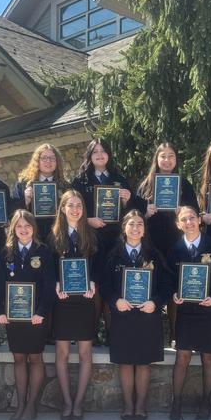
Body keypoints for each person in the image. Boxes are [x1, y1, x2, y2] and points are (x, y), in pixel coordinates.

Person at [164, 206, 211, 420]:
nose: (189, 222)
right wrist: (174, 294)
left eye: (192, 218)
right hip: (185, 312)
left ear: (199, 220)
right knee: (182, 357)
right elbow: (167, 280)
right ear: (178, 224)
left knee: (208, 358)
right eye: (184, 219)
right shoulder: (174, 250)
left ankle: (206, 401)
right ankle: (177, 402)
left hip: (209, 310)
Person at [100, 210, 166, 420]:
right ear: (124, 228)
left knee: (144, 362)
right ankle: (128, 406)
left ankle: (141, 406)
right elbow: (105, 285)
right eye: (131, 224)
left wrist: (155, 302)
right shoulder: (113, 256)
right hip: (124, 315)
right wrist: (115, 300)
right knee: (126, 362)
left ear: (145, 229)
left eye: (140, 224)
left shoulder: (155, 255)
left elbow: (167, 285)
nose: (136, 228)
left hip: (148, 316)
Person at [72, 138, 141, 340]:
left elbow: (132, 212)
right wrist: (87, 220)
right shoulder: (80, 180)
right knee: (93, 286)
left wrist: (128, 199)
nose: (99, 155)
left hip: (115, 242)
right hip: (89, 240)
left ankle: (113, 335)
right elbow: (70, 209)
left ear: (108, 155)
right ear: (90, 156)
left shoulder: (119, 179)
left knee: (113, 285)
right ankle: (90, 335)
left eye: (103, 151)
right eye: (95, 152)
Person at [0, 209, 55, 420]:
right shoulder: (6, 252)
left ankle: (31, 406)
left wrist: (42, 312)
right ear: (13, 229)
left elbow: (49, 285)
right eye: (19, 226)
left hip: (36, 317)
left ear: (33, 228)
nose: (23, 229)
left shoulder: (44, 251)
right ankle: (20, 404)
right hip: (14, 317)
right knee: (18, 358)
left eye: (27, 225)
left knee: (35, 358)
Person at [48, 190, 98, 420]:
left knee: (85, 353)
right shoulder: (54, 236)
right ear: (63, 208)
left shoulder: (91, 235)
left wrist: (93, 282)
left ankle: (78, 403)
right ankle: (67, 402)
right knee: (62, 352)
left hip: (85, 301)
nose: (75, 209)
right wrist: (56, 283)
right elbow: (48, 268)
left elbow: (98, 266)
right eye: (71, 205)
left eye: (79, 205)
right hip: (63, 301)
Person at [137, 142, 199, 258]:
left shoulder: (184, 185)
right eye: (163, 156)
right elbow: (135, 215)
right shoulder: (145, 185)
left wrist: (184, 211)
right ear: (157, 159)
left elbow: (196, 212)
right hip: (151, 243)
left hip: (179, 242)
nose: (167, 160)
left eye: (171, 156)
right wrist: (145, 214)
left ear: (176, 159)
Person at [11, 143, 70, 242]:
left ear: (57, 162)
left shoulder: (66, 187)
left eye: (52, 158)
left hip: (58, 236)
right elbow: (13, 213)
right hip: (31, 237)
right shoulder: (23, 184)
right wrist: (24, 200)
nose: (48, 161)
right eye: (44, 158)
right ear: (37, 161)